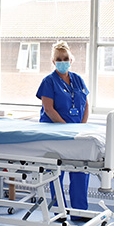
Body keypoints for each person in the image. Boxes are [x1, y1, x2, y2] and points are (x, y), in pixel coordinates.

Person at [35, 40, 90, 211]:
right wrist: (66, 128)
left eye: (65, 58)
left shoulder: (78, 80)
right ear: (53, 61)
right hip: (55, 133)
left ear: (71, 59)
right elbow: (49, 109)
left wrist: (81, 127)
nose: (62, 61)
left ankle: (79, 210)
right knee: (56, 173)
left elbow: (86, 104)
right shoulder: (48, 82)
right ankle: (59, 209)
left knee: (81, 170)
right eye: (58, 59)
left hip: (76, 133)